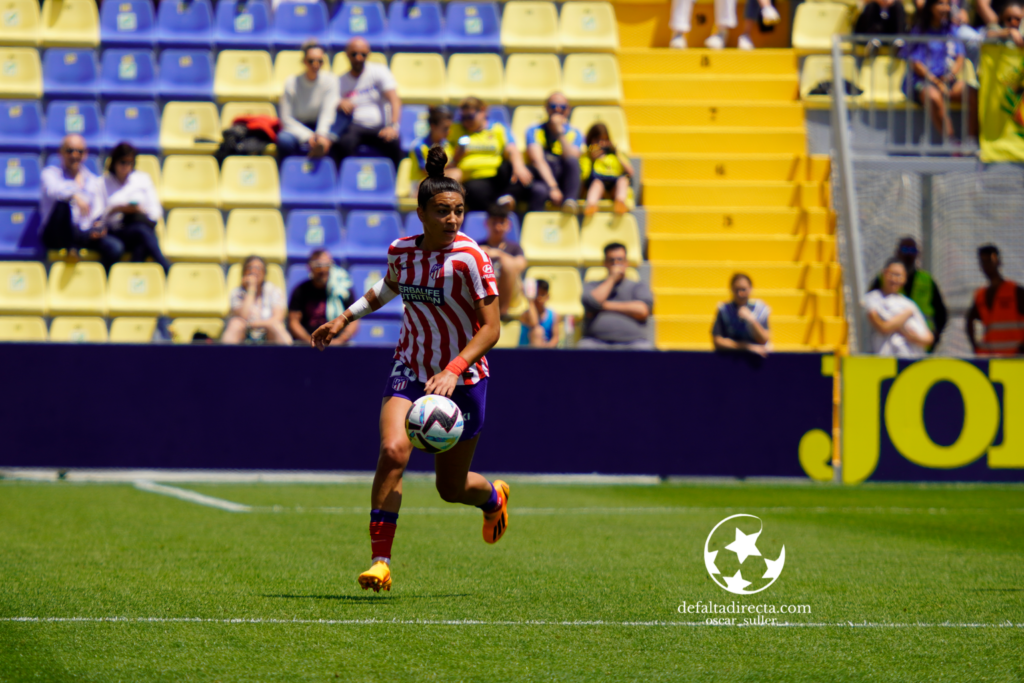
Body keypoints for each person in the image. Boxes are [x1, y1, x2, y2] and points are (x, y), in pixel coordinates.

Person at [310, 146, 507, 594]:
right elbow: (389, 286)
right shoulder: (401, 251)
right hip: (412, 368)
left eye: (458, 211)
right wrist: (345, 317)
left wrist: (455, 369)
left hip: (464, 379)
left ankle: (493, 497)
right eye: (442, 211)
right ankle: (380, 562)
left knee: (450, 488)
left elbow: (493, 328)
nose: (453, 220)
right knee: (394, 451)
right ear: (421, 213)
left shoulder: (471, 258)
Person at [39, 134, 118, 271]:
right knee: (62, 204)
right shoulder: (50, 174)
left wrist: (99, 226)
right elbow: (54, 191)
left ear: (85, 154)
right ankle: (72, 246)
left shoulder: (94, 181)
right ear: (61, 153)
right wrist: (74, 195)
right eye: (69, 150)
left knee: (115, 247)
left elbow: (98, 211)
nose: (74, 155)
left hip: (82, 232)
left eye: (79, 151)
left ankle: (100, 281)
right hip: (56, 233)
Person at [904, 0, 975, 142]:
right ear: (930, 7)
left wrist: (949, 77)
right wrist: (936, 82)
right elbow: (916, 63)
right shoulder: (919, 31)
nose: (945, 8)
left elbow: (960, 57)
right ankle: (951, 141)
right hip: (923, 81)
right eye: (940, 4)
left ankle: (971, 140)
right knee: (934, 97)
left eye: (947, 4)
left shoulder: (951, 29)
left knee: (972, 93)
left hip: (946, 79)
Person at [447, 97, 532, 212]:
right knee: (474, 191)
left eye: (470, 117)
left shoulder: (498, 129)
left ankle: (507, 198)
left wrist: (519, 167)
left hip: (497, 176)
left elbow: (512, 149)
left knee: (520, 172)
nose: (466, 122)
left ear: (482, 111)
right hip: (474, 178)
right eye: (463, 118)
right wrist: (457, 156)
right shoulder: (456, 130)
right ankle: (497, 211)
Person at [100, 142, 170, 273]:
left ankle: (131, 280)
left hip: (139, 224)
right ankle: (165, 266)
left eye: (130, 163)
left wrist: (139, 210)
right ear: (114, 162)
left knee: (141, 241)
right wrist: (116, 209)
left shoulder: (142, 179)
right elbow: (98, 216)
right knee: (142, 233)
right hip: (116, 229)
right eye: (122, 162)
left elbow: (155, 212)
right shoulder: (103, 183)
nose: (126, 167)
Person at [335, 37, 403, 169]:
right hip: (355, 126)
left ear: (368, 54)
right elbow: (331, 101)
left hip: (380, 127)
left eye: (363, 54)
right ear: (347, 55)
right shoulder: (340, 81)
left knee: (394, 143)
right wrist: (340, 102)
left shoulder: (379, 71)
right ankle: (347, 180)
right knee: (343, 143)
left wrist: (392, 126)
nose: (358, 58)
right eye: (354, 54)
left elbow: (394, 99)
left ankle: (393, 183)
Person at [868, 237, 947, 349]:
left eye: (912, 251)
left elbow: (941, 313)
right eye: (905, 250)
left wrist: (934, 335)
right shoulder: (880, 282)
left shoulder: (927, 280)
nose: (908, 255)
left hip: (921, 345)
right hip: (886, 345)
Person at [579, 243, 654, 350]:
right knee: (584, 347)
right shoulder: (592, 285)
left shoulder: (638, 286)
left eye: (620, 260)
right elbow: (593, 301)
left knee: (644, 348)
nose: (616, 264)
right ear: (605, 263)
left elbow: (642, 310)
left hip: (633, 343)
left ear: (626, 263)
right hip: (596, 342)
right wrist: (612, 278)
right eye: (612, 261)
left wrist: (603, 306)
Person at [277, 40, 340, 161]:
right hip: (298, 126)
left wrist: (321, 135)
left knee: (340, 141)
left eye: (320, 61)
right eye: (311, 61)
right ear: (304, 61)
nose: (315, 65)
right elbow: (286, 119)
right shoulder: (291, 82)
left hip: (321, 126)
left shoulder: (331, 81)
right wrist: (309, 137)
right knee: (284, 140)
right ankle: (288, 175)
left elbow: (328, 112)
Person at [523, 92, 582, 213]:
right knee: (538, 191)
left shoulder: (575, 133)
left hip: (563, 178)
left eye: (563, 107)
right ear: (546, 108)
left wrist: (560, 133)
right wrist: (553, 187)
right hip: (543, 179)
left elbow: (572, 158)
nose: (558, 109)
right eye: (553, 106)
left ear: (568, 110)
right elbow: (537, 161)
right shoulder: (534, 130)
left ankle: (570, 201)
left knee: (572, 161)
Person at [287, 249, 359, 345]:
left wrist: (341, 340)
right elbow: (294, 322)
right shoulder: (301, 290)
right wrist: (310, 340)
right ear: (309, 267)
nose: (322, 270)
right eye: (318, 266)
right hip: (308, 345)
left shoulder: (343, 290)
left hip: (338, 344)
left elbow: (354, 320)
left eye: (326, 266)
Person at [865, 258, 934, 357]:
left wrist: (911, 336)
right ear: (883, 273)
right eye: (892, 274)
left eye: (899, 276)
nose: (894, 279)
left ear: (904, 279)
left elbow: (928, 339)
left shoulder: (909, 304)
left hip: (909, 359)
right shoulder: (872, 298)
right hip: (884, 359)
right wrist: (903, 319)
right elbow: (882, 326)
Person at [966, 244, 1024, 355]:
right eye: (983, 262)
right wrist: (975, 346)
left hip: (1015, 357)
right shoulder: (980, 295)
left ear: (998, 262)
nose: (986, 266)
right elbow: (970, 320)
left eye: (989, 261)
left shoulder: (1015, 291)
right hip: (990, 357)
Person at [222, 255, 293, 345]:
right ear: (244, 272)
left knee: (276, 326)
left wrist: (254, 324)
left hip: (267, 333)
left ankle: (289, 357)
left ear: (264, 273)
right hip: (244, 334)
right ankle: (226, 357)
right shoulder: (236, 293)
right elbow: (244, 316)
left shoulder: (274, 291)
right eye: (250, 267)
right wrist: (251, 289)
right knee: (234, 324)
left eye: (258, 268)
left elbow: (278, 318)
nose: (253, 271)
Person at [478, 203, 526, 317]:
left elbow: (520, 266)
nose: (498, 227)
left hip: (509, 296)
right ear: (487, 223)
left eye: (501, 222)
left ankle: (501, 313)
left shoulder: (515, 248)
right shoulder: (478, 246)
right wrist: (480, 253)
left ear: (508, 225)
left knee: (508, 265)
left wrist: (499, 254)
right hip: (485, 293)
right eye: (494, 222)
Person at [712, 273, 771, 358]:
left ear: (750, 289)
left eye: (743, 289)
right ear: (731, 289)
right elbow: (718, 341)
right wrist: (747, 347)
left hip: (756, 362)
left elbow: (764, 339)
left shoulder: (760, 309)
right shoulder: (724, 310)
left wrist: (751, 320)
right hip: (730, 359)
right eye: (737, 290)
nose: (740, 293)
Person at [581, 123, 634, 218]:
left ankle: (620, 201)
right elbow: (583, 177)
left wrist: (616, 154)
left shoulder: (615, 155)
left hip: (614, 186)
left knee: (623, 181)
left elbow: (630, 172)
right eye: (597, 140)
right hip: (598, 184)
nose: (601, 143)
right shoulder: (586, 156)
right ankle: (591, 204)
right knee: (597, 184)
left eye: (604, 140)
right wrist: (592, 160)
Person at [408, 105, 456, 195]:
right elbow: (428, 171)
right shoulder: (419, 146)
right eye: (445, 128)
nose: (449, 131)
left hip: (440, 183)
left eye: (450, 128)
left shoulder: (447, 145)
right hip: (419, 186)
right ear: (433, 126)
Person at [519, 279, 560, 347]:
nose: (539, 298)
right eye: (537, 294)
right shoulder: (525, 314)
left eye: (542, 295)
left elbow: (555, 338)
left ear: (547, 296)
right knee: (537, 332)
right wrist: (530, 300)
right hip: (525, 352)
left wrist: (546, 347)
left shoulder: (554, 315)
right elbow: (534, 323)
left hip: (544, 353)